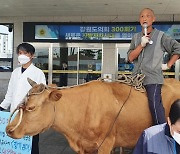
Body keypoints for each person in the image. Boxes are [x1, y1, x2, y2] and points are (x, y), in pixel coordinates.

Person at [128, 8, 180, 125]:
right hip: (135, 78)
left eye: (148, 16)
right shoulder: (136, 37)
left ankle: (161, 131)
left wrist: (168, 65)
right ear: (139, 20)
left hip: (152, 79)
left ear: (153, 19)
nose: (144, 18)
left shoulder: (161, 36)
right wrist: (140, 45)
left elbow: (178, 48)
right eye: (142, 16)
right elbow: (130, 57)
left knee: (154, 104)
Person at [0, 43, 46, 154]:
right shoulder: (15, 72)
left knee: (31, 145)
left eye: (25, 53)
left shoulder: (38, 73)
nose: (22, 56)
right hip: (15, 114)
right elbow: (10, 93)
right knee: (16, 143)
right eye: (20, 53)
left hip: (31, 116)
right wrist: (2, 106)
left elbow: (42, 96)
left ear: (32, 55)